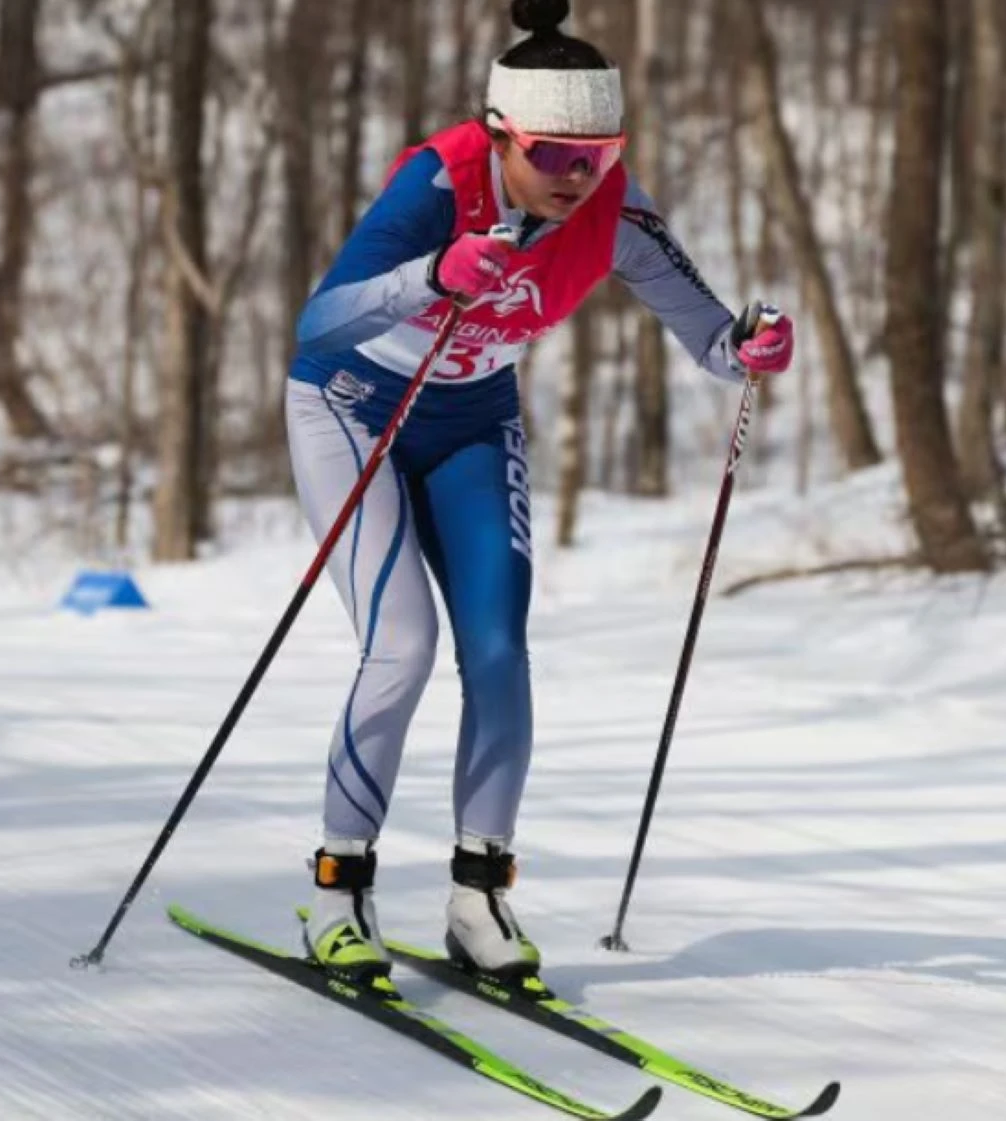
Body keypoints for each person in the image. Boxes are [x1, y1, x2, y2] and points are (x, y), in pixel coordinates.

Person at [286, 0, 794, 980]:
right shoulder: (435, 186)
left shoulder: (616, 211)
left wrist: (751, 346)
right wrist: (430, 272)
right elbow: (321, 323)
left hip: (472, 419)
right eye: (556, 155)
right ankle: (339, 889)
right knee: (401, 645)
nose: (580, 178)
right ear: (500, 137)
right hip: (354, 411)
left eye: (601, 155)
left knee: (499, 648)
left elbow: (712, 339)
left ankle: (480, 896)